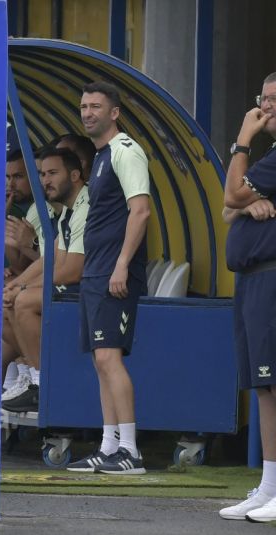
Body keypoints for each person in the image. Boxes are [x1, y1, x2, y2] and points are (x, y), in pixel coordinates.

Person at [65, 81, 150, 475]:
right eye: (83, 106)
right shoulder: (99, 156)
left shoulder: (126, 151)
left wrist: (121, 266)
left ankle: (130, 451)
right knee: (101, 360)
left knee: (110, 357)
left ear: (115, 112)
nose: (87, 113)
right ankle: (108, 444)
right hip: (96, 269)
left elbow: (140, 212)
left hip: (115, 272)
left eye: (96, 106)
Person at [219, 72, 276, 522]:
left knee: (274, 383)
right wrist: (246, 201)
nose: (268, 106)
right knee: (263, 387)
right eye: (265, 98)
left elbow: (230, 193)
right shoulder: (271, 156)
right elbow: (227, 206)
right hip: (253, 279)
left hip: (272, 278)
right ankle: (269, 486)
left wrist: (242, 137)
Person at [3, 147, 88, 412]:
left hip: (97, 291)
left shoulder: (86, 206)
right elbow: (50, 259)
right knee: (8, 299)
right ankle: (30, 376)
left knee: (25, 301)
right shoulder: (66, 211)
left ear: (75, 176)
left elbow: (72, 269)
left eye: (52, 173)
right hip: (78, 288)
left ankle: (44, 383)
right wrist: (14, 285)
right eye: (41, 174)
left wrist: (24, 287)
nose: (45, 181)